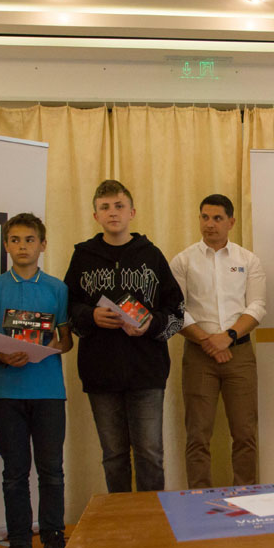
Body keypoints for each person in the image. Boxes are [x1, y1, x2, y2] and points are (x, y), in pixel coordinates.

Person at [64, 180, 183, 493]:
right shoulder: (83, 257)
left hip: (147, 371)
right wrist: (90, 316)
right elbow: (67, 307)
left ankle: (152, 517)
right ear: (95, 216)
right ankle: (120, 518)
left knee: (150, 454)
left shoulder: (152, 255)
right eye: (105, 207)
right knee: (114, 456)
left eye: (119, 206)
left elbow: (177, 312)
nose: (112, 212)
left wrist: (151, 324)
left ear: (132, 212)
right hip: (100, 372)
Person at [0, 213, 73, 548]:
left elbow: (67, 340)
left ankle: (53, 538)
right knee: (14, 473)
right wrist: (2, 355)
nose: (22, 246)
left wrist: (46, 348)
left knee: (52, 471)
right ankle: (19, 544)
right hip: (8, 392)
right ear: (6, 246)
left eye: (29, 240)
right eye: (15, 240)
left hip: (49, 391)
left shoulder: (57, 288)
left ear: (42, 245)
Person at [170, 194, 267, 488]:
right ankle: (200, 500)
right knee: (198, 435)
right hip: (199, 355)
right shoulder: (183, 261)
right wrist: (209, 342)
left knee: (245, 433)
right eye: (204, 217)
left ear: (231, 222)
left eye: (217, 218)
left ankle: (246, 495)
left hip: (239, 354)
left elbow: (257, 306)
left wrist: (229, 337)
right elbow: (176, 310)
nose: (209, 224)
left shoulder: (247, 260)